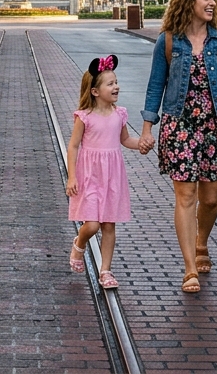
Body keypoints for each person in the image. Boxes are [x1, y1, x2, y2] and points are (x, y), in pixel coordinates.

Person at [139, 0, 217, 294]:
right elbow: (154, 86)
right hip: (179, 126)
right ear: (189, 1)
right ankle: (190, 267)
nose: (212, 2)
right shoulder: (169, 40)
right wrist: (148, 126)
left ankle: (202, 242)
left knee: (210, 199)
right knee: (185, 197)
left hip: (215, 126)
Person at [66, 54, 140, 289]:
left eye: (116, 82)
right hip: (89, 175)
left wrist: (143, 144)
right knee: (92, 225)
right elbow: (73, 145)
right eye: (110, 83)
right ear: (95, 91)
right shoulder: (84, 117)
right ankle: (79, 243)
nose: (116, 86)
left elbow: (126, 140)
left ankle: (105, 270)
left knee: (109, 225)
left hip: (112, 176)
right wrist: (72, 176)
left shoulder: (120, 114)